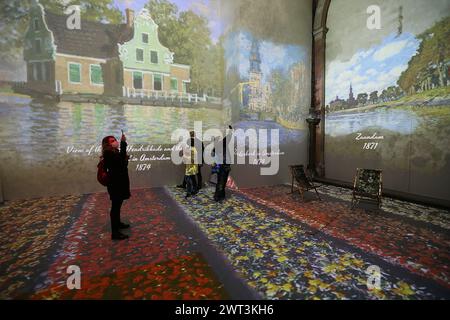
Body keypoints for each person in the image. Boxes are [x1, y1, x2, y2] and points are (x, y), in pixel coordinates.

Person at [102, 132, 131, 240]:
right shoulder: (108, 154)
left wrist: (125, 159)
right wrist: (123, 143)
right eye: (112, 141)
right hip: (115, 184)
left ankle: (118, 224)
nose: (115, 142)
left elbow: (122, 165)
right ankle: (115, 233)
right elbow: (119, 163)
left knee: (118, 205)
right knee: (115, 207)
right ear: (107, 144)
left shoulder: (114, 152)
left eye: (115, 140)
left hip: (120, 183)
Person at [213, 126, 233, 202]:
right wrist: (231, 131)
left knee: (221, 181)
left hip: (222, 165)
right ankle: (218, 196)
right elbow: (228, 137)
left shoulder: (216, 147)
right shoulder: (222, 144)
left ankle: (220, 195)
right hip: (224, 165)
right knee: (222, 181)